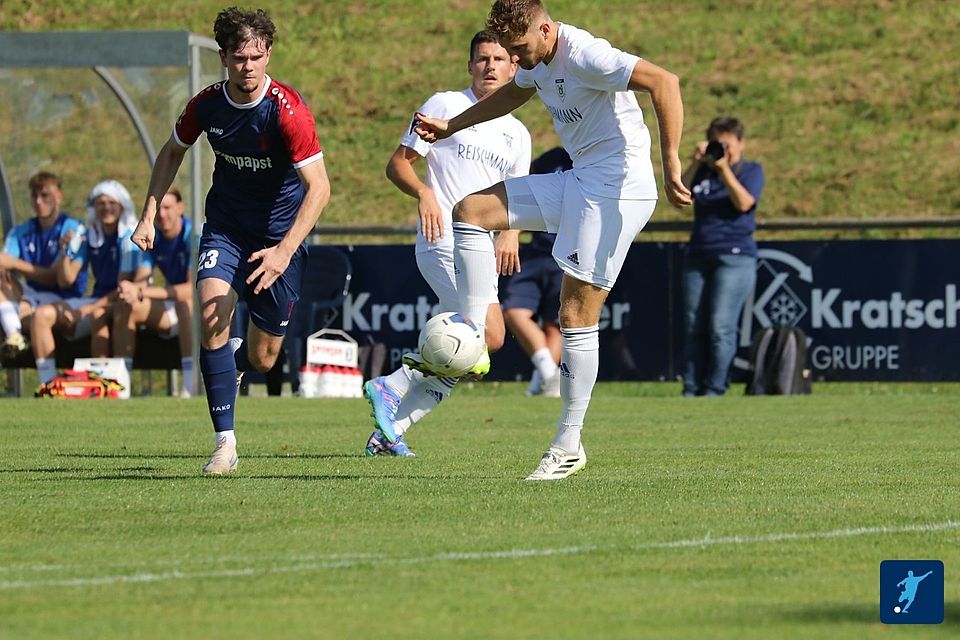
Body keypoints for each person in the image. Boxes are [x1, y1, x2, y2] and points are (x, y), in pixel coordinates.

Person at [412, 0, 692, 480]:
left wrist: (671, 162)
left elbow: (665, 82)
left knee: (574, 314)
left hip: (619, 192)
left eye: (520, 49)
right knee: (473, 211)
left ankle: (568, 444)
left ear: (545, 29)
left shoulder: (585, 54)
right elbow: (513, 94)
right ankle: (476, 331)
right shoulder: (536, 58)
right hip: (581, 180)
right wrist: (450, 126)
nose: (516, 61)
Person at [130, 7, 330, 474]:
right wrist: (148, 214)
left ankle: (230, 360)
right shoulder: (207, 105)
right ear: (223, 57)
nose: (249, 66)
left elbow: (319, 188)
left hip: (281, 239)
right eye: (239, 57)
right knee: (212, 312)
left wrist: (283, 252)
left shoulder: (288, 111)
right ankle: (225, 444)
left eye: (257, 57)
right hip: (226, 228)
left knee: (262, 359)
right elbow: (172, 151)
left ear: (268, 55)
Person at [363, 30, 532, 457]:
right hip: (442, 240)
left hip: (481, 251)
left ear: (515, 67)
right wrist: (425, 193)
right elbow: (397, 165)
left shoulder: (518, 133)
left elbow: (518, 194)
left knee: (484, 342)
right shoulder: (445, 105)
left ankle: (390, 431)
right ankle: (392, 385)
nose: (490, 66)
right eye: (482, 59)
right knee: (477, 340)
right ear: (470, 65)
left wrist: (511, 232)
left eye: (499, 59)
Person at [30, 180, 147, 386]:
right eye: (100, 203)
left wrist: (87, 309)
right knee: (41, 315)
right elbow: (66, 280)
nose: (106, 208)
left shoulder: (129, 237)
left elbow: (123, 288)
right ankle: (48, 383)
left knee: (99, 314)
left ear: (122, 205)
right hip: (96, 301)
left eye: (111, 202)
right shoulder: (89, 235)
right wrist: (65, 252)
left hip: (118, 303)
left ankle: (117, 383)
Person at [680, 116, 765, 397]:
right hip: (699, 254)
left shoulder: (750, 170)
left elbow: (744, 203)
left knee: (721, 327)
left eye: (729, 143)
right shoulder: (702, 172)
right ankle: (691, 388)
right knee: (693, 326)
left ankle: (715, 389)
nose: (724, 150)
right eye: (719, 143)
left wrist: (724, 169)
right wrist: (694, 163)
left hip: (735, 257)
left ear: (742, 143)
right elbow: (680, 198)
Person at [499, 147, 571, 398]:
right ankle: (550, 377)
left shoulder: (593, 160)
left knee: (555, 325)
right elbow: (524, 195)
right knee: (513, 311)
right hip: (538, 253)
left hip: (570, 254)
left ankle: (539, 387)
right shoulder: (549, 159)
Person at [113, 188, 195, 397]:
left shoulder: (194, 235)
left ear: (180, 208)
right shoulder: (153, 236)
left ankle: (190, 384)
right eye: (159, 209)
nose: (162, 215)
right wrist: (131, 291)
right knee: (125, 305)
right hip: (172, 308)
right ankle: (121, 385)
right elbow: (140, 280)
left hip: (202, 312)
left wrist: (142, 292)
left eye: (167, 208)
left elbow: (191, 289)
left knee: (185, 304)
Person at [0, 172, 87, 363]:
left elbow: (56, 278)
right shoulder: (21, 231)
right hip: (31, 295)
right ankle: (14, 334)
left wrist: (14, 264)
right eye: (35, 196)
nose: (39, 201)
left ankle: (13, 329)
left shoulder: (71, 228)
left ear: (59, 197)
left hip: (65, 298)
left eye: (45, 195)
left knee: (37, 315)